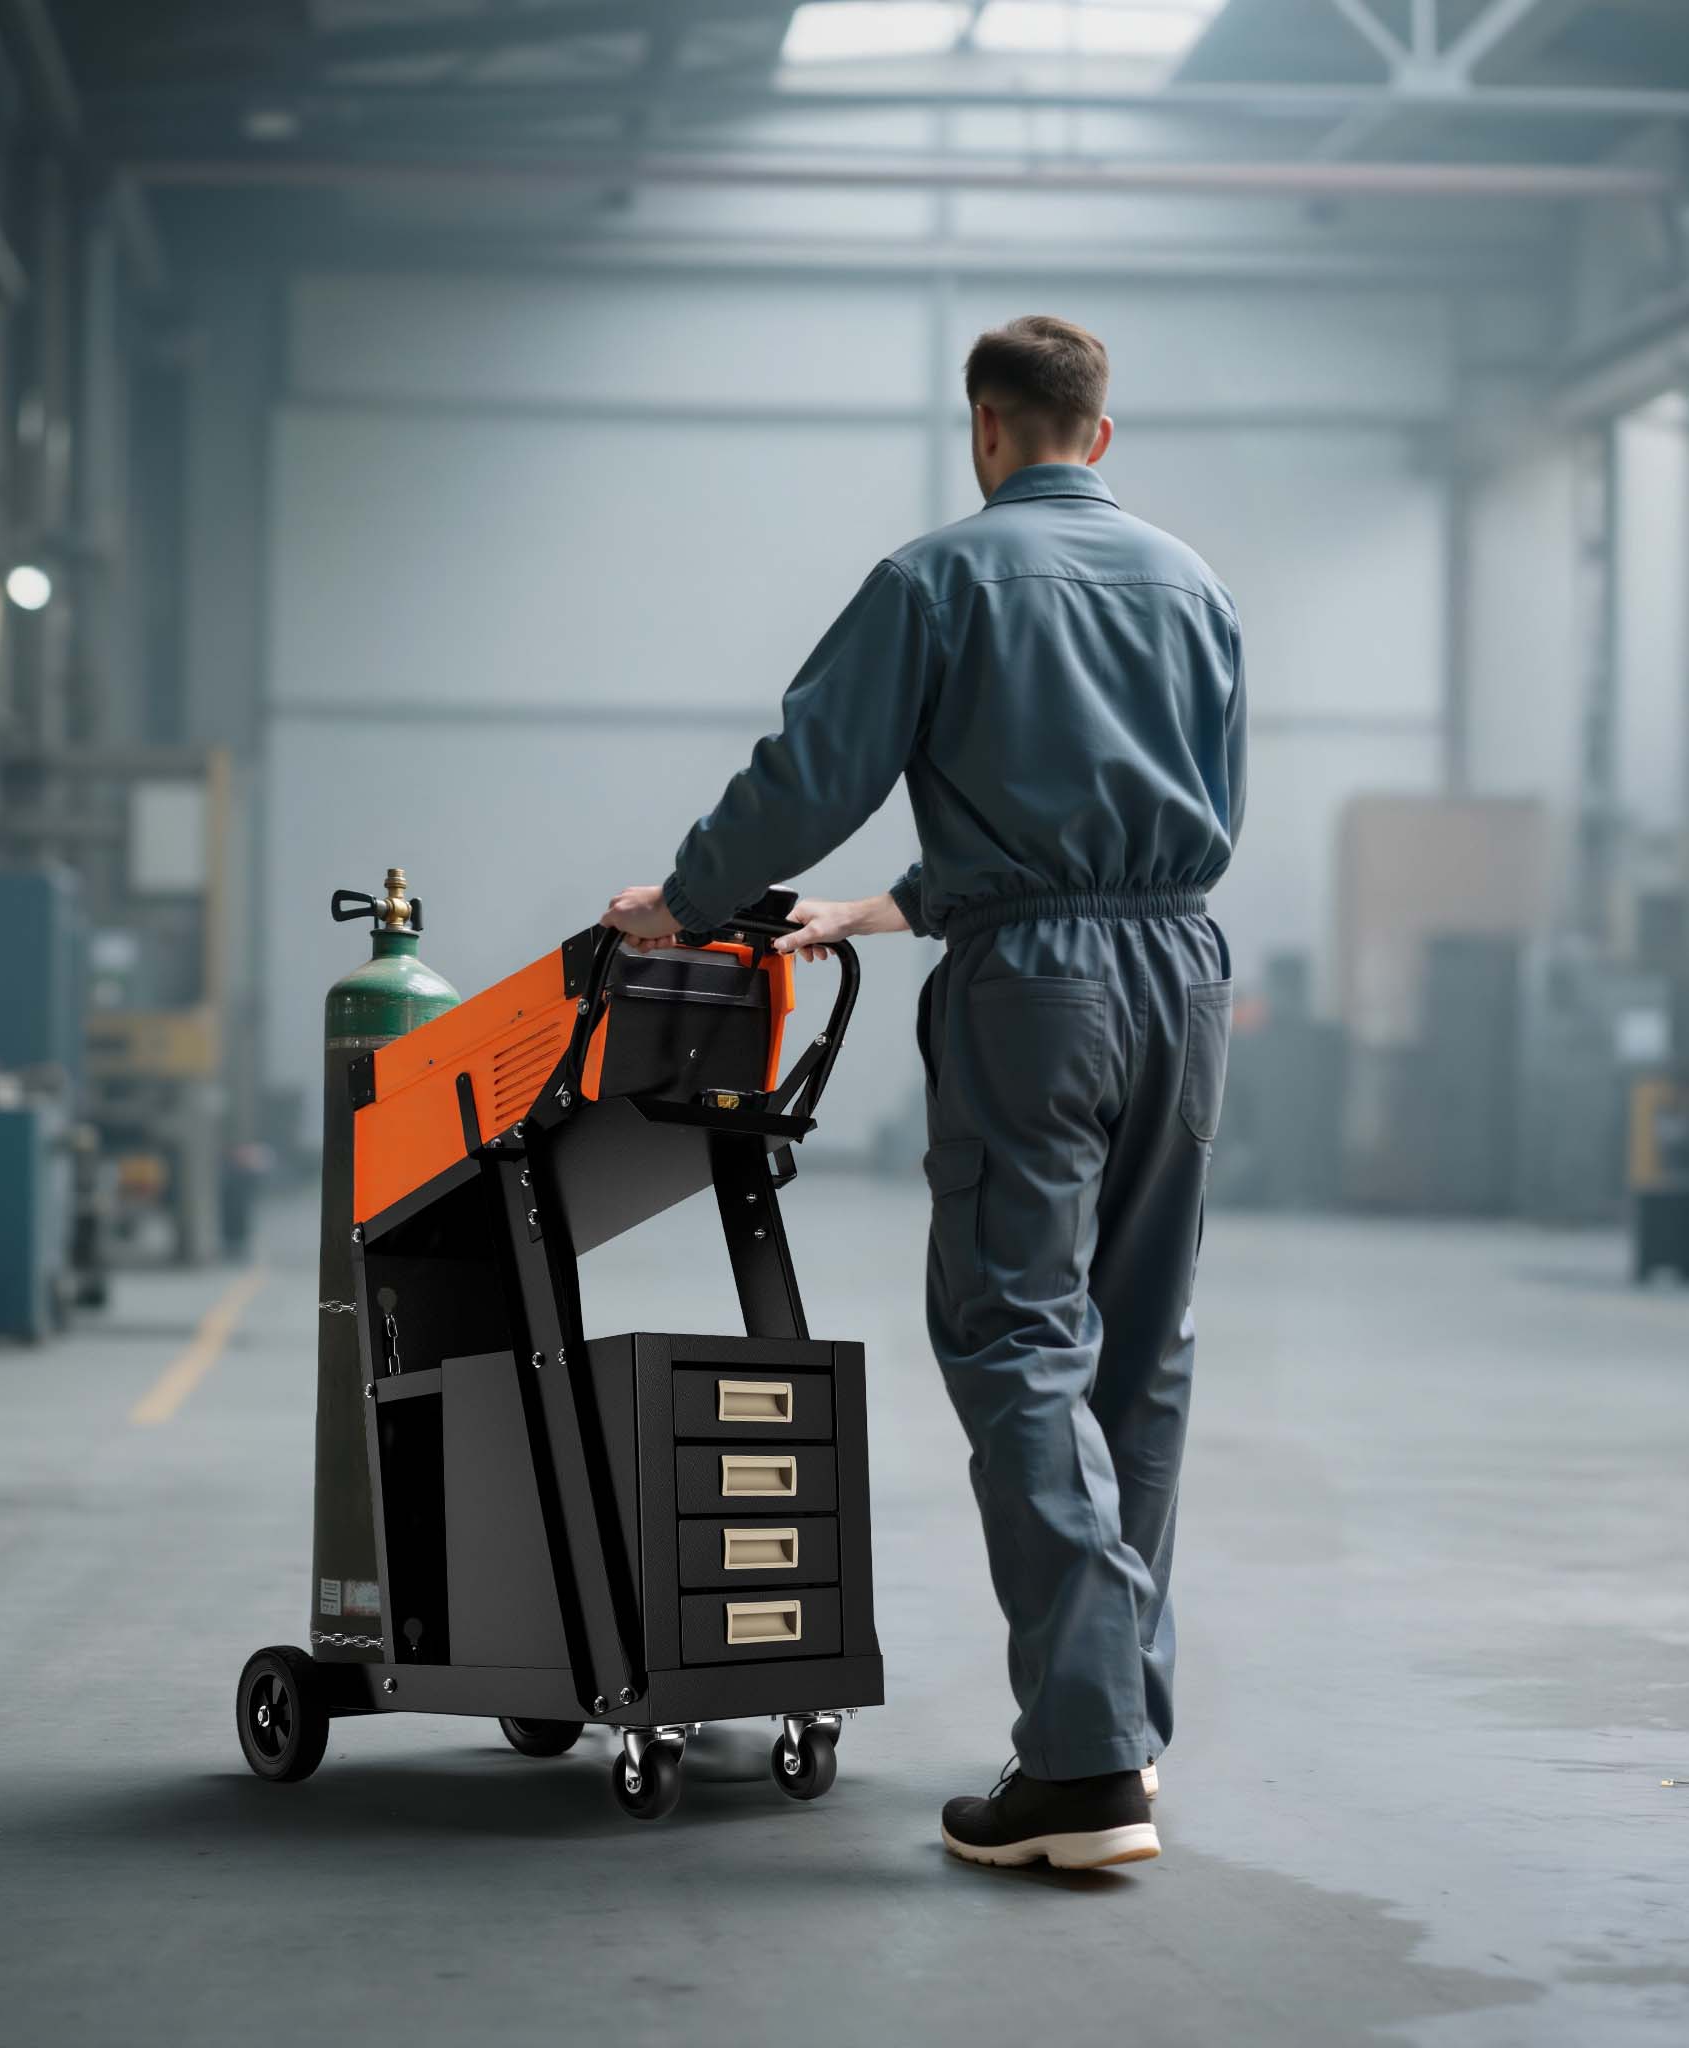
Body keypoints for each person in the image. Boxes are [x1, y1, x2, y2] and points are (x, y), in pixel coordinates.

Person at [602, 314, 1245, 1872]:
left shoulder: (938, 579)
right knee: (1141, 1350)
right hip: (1183, 974)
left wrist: (690, 902)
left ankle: (1084, 1768)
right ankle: (1123, 1735)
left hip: (1038, 999)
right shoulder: (1194, 586)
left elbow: (811, 776)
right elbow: (1125, 821)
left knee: (1017, 1336)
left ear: (987, 428)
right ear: (1099, 435)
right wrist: (884, 912)